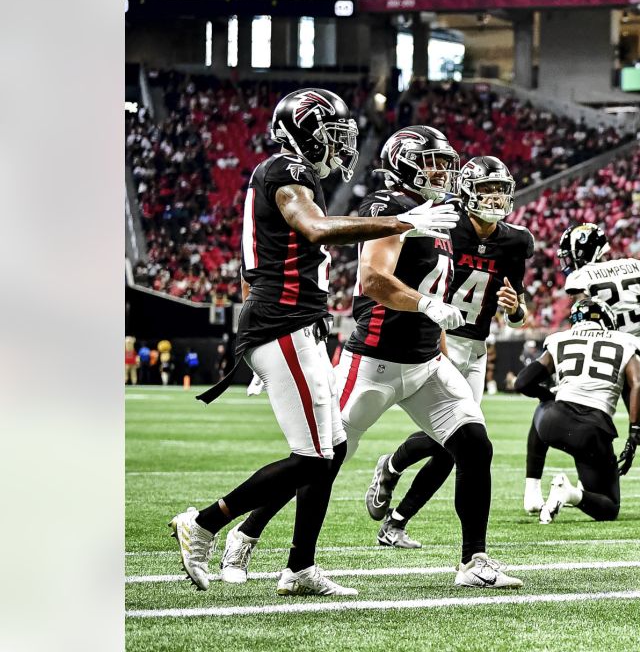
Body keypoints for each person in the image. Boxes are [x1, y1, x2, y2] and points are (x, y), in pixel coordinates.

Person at [171, 91, 459, 596]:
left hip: (286, 323)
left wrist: (253, 340)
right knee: (312, 458)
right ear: (305, 132)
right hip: (285, 323)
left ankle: (300, 566)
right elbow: (317, 229)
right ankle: (204, 524)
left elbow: (251, 270)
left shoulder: (285, 174)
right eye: (333, 136)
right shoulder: (286, 172)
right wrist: (401, 221)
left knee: (335, 447)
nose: (341, 147)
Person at [222, 126, 520, 589]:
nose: (442, 171)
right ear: (403, 162)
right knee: (321, 458)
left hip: (425, 363)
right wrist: (426, 305)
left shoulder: (434, 213)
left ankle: (473, 561)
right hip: (374, 363)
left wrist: (443, 333)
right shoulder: (389, 208)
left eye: (445, 163)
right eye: (432, 161)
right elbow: (374, 280)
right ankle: (246, 533)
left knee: (475, 445)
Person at [361, 155, 535, 547]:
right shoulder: (444, 223)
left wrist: (515, 309)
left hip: (475, 347)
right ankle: (395, 503)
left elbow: (519, 314)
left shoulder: (514, 241)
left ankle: (394, 491)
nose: (494, 198)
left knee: (459, 445)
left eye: (500, 190)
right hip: (438, 336)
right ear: (468, 189)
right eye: (486, 189)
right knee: (460, 439)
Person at [523, 222, 640, 515]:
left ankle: (536, 490)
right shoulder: (633, 267)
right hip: (633, 354)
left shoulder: (580, 277)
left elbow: (583, 317)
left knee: (566, 408)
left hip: (601, 356)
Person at [513, 299, 640, 524]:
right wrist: (634, 434)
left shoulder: (560, 339)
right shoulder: (626, 341)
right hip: (593, 431)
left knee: (543, 408)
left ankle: (532, 492)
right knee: (609, 507)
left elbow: (522, 382)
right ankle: (570, 494)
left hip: (554, 421)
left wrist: (548, 397)